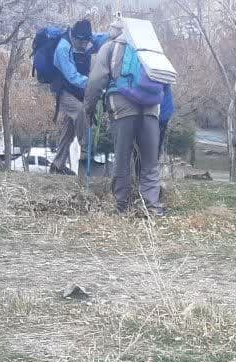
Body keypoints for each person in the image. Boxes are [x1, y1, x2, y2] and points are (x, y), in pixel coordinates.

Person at [84, 17, 164, 216]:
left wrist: (89, 108)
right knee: (149, 161)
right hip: (151, 107)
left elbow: (95, 82)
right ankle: (151, 206)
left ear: (114, 31)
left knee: (122, 156)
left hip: (122, 106)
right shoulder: (150, 48)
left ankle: (121, 206)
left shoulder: (110, 47)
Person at [49, 20, 103, 177]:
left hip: (73, 90)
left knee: (69, 128)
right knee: (80, 113)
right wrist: (94, 84)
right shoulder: (62, 48)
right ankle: (86, 155)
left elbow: (100, 37)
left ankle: (57, 166)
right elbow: (72, 76)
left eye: (87, 41)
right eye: (83, 42)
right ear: (76, 37)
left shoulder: (80, 38)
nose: (84, 46)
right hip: (63, 91)